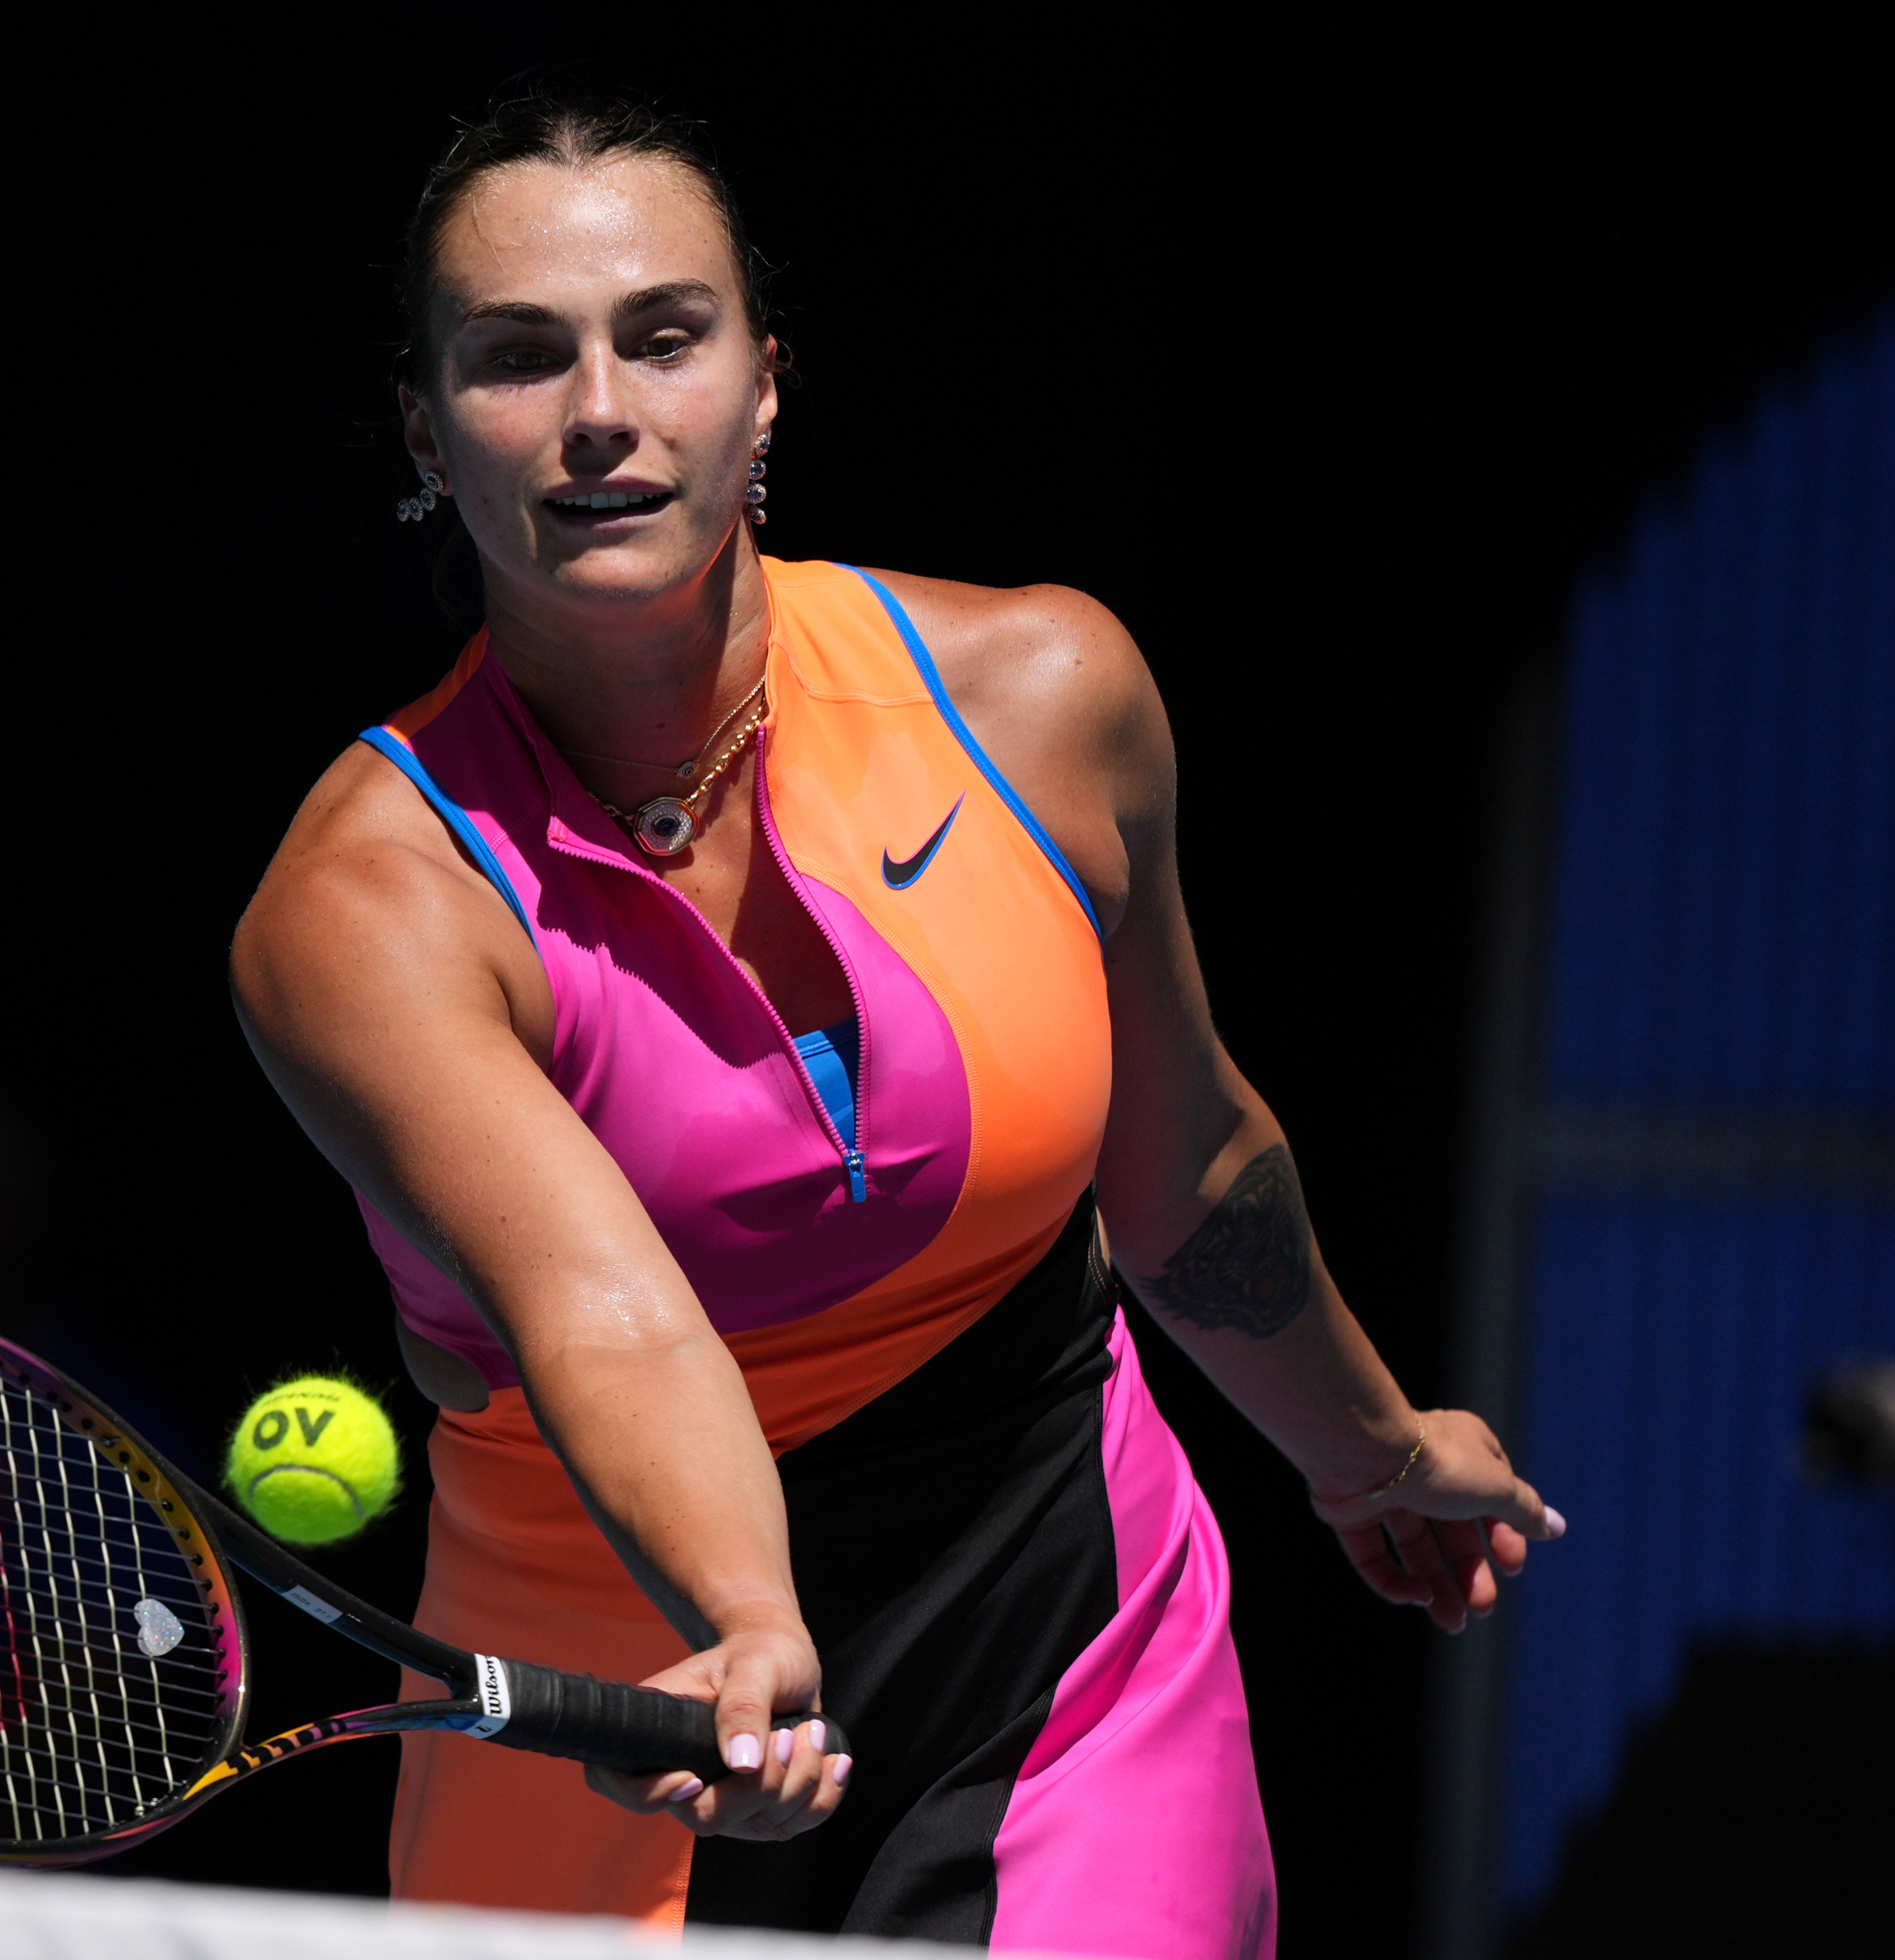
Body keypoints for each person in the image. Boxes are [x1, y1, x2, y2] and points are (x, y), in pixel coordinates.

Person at [231, 91, 1560, 1958]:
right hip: (626, 1685)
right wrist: (750, 1615)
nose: (600, 408)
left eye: (665, 336)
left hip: (1064, 1613)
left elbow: (1187, 1168)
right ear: (424, 430)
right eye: (519, 358)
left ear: (764, 388)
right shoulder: (365, 908)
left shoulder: (1041, 697)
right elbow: (608, 1310)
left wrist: (1371, 1444)